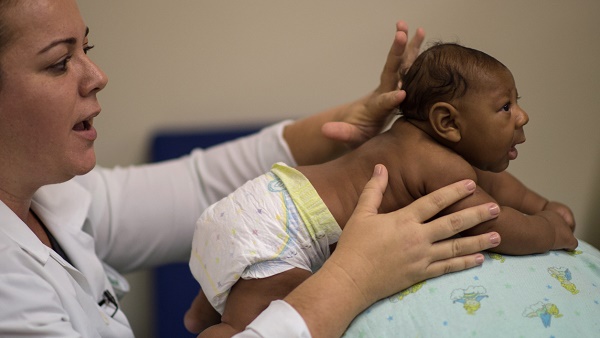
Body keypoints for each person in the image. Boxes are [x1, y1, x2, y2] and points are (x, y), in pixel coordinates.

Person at [0, 0, 502, 337]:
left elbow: (197, 186)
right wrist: (353, 278)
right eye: (59, 62)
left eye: (86, 49)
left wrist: (359, 121)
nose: (98, 76)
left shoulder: (50, 198)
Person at [186, 43, 577, 337]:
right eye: (505, 107)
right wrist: (550, 229)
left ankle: (202, 312)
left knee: (240, 275)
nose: (522, 115)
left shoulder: (410, 141)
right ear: (447, 121)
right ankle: (219, 328)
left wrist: (539, 201)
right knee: (266, 314)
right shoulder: (440, 164)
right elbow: (493, 223)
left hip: (259, 201)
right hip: (279, 232)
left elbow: (491, 182)